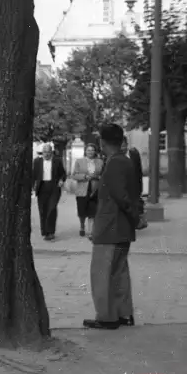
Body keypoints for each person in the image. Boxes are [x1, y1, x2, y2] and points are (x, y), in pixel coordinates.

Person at [83, 124, 137, 330]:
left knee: (102, 273)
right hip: (123, 227)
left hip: (110, 226)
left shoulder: (114, 163)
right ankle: (124, 314)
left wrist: (134, 215)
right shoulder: (127, 161)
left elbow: (120, 196)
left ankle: (107, 317)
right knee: (120, 271)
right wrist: (135, 217)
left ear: (102, 142)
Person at [32, 144, 66, 241]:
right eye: (44, 152)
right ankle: (45, 232)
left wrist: (61, 180)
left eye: (48, 152)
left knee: (52, 209)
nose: (46, 154)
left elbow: (63, 174)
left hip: (54, 187)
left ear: (51, 152)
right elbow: (33, 175)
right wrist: (33, 186)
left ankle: (51, 232)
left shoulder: (57, 161)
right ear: (42, 153)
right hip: (42, 187)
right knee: (43, 210)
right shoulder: (37, 161)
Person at [71, 144, 103, 241]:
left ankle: (91, 232)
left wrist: (98, 177)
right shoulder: (79, 161)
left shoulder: (100, 162)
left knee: (92, 211)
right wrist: (85, 176)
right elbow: (74, 175)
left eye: (92, 150)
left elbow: (103, 174)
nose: (90, 152)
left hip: (95, 189)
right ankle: (82, 226)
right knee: (82, 212)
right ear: (85, 151)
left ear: (95, 151)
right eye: (88, 150)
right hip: (82, 189)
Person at [121, 137, 147, 230]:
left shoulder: (134, 154)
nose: (122, 147)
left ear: (127, 144)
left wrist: (140, 188)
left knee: (133, 206)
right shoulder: (115, 156)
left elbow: (139, 171)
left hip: (134, 186)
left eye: (123, 145)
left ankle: (134, 223)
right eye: (119, 145)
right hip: (121, 186)